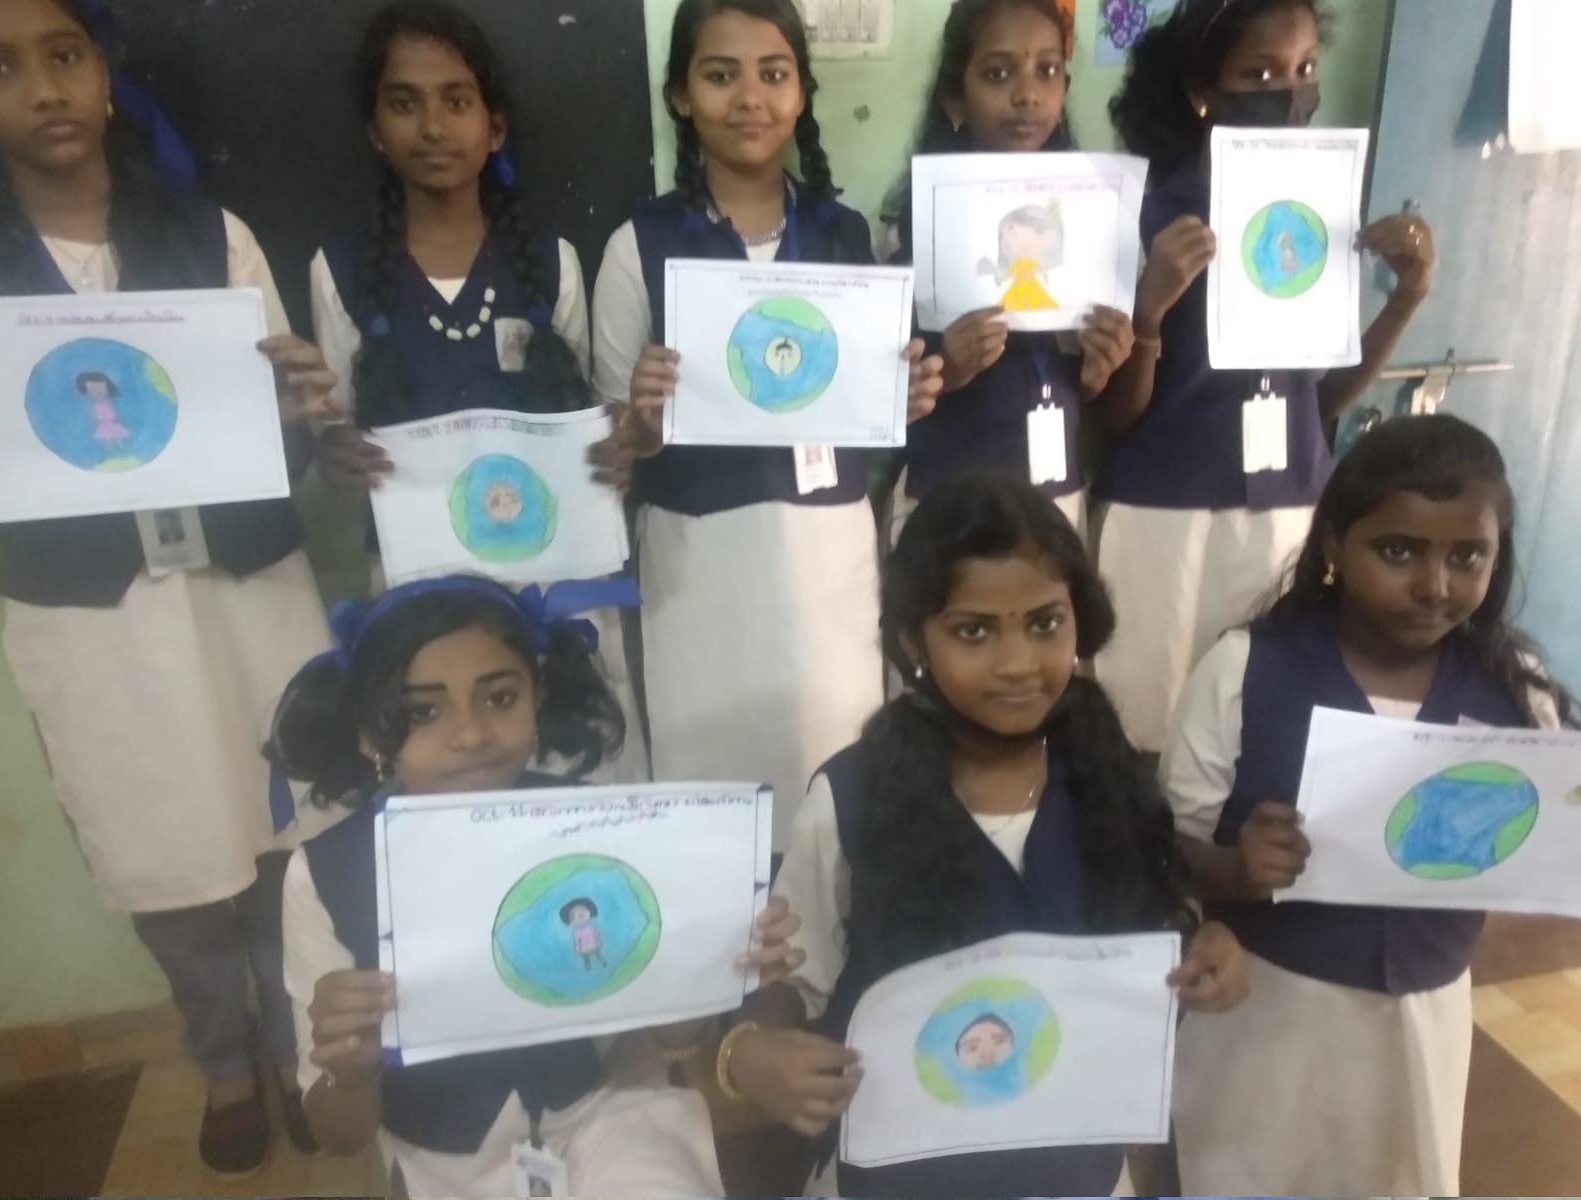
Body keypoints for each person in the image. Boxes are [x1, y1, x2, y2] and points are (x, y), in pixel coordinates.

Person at [0, 0, 343, 1175]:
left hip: (245, 588)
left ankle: (296, 1047)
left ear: (103, 71)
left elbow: (287, 441)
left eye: (63, 56)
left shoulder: (212, 237)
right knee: (160, 849)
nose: (42, 89)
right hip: (93, 617)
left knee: (282, 830)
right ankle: (223, 1059)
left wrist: (297, 407)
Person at [718, 473, 1250, 1197]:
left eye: (1045, 624)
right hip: (904, 1175)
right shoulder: (851, 796)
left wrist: (1202, 945)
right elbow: (788, 977)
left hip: (1079, 1170)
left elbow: (1157, 916)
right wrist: (751, 1051)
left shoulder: (1107, 771)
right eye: (974, 631)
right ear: (915, 639)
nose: (1018, 663)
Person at [271, 574, 804, 1198]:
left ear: (536, 695)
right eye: (423, 711)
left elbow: (648, 1054)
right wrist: (353, 1070)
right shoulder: (323, 874)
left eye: (499, 698)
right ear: (368, 732)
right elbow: (339, 1134)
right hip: (443, 1161)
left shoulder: (607, 829)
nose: (471, 733)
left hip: (610, 1115)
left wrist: (695, 982)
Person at [1161, 414, 1574, 1195]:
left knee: (1398, 1174)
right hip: (1268, 1008)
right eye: (1397, 551)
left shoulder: (1514, 685)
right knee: (1248, 1174)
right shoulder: (1244, 669)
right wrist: (1235, 869)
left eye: (1467, 556)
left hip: (1423, 1013)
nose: (1434, 586)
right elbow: (1167, 846)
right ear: (1333, 546)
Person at [590, 0, 944, 848]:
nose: (750, 97)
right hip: (697, 561)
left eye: (773, 74)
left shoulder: (844, 236)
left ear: (801, 93)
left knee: (834, 789)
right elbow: (610, 450)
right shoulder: (639, 245)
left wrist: (904, 401)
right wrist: (640, 423)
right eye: (721, 76)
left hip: (829, 553)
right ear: (682, 97)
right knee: (713, 803)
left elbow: (868, 413)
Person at [309, 0, 648, 783]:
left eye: (456, 101)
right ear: (374, 130)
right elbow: (336, 433)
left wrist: (617, 452)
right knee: (452, 785)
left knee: (574, 782)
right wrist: (335, 457)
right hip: (416, 594)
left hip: (553, 583)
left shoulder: (552, 264)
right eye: (404, 103)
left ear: (494, 129)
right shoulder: (340, 273)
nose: (432, 127)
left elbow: (597, 424)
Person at [1095, 0, 1438, 752]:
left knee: (1256, 731)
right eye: (1259, 73)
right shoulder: (1145, 215)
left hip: (1289, 512)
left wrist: (1405, 300)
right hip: (1164, 515)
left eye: (1305, 68)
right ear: (1202, 89)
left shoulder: (1318, 212)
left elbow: (1319, 402)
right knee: (1143, 729)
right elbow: (1113, 416)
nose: (1288, 91)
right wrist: (1150, 307)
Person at [879, 0, 1136, 542]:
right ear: (955, 97)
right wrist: (947, 370)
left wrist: (1098, 370)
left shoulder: (1091, 225)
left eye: (1047, 70)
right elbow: (881, 397)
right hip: (947, 503)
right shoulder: (912, 232)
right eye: (998, 74)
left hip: (1055, 498)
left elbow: (1095, 397)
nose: (1027, 95)